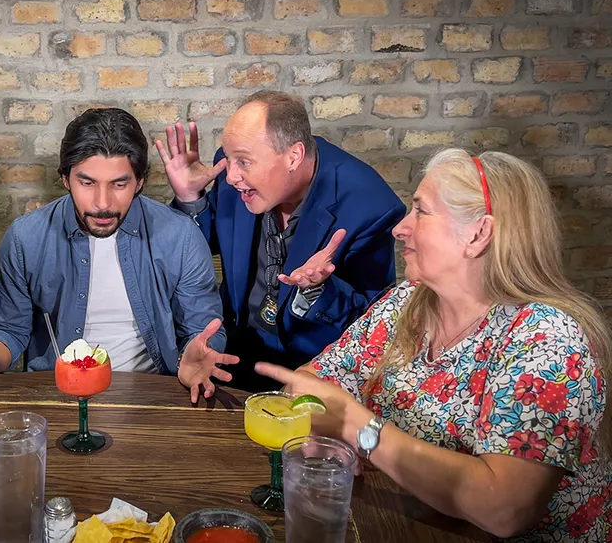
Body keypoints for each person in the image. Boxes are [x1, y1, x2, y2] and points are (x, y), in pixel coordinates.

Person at [257, 149, 612, 541]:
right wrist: (325, 431)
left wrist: (359, 428)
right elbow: (310, 384)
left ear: (479, 234)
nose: (400, 228)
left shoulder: (548, 340)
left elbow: (505, 509)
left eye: (421, 211)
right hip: (408, 523)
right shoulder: (408, 301)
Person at [0, 108, 235, 402]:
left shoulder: (179, 235)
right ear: (65, 180)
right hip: (57, 394)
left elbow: (201, 327)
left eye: (119, 183)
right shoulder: (25, 237)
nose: (102, 202)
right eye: (87, 182)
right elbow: (8, 331)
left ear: (139, 182)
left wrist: (197, 350)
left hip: (153, 394)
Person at [157, 90, 405, 391]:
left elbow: (374, 328)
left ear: (294, 156)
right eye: (230, 159)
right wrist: (189, 198)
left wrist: (318, 290)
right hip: (236, 351)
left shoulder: (370, 206)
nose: (231, 175)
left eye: (244, 162)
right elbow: (209, 242)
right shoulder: (233, 168)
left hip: (312, 368)